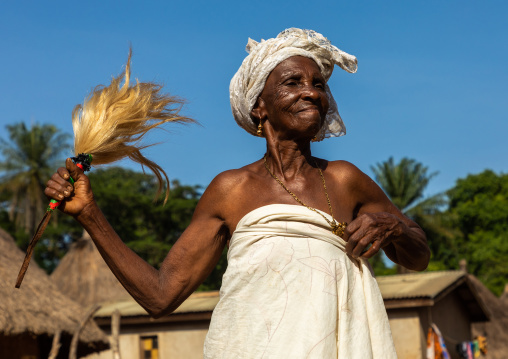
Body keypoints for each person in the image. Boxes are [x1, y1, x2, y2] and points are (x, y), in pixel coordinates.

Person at [45, 28, 430, 358]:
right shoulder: (230, 191)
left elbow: (419, 256)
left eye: (318, 84)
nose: (311, 93)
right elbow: (160, 297)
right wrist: (89, 214)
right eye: (293, 82)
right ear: (259, 106)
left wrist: (395, 229)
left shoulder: (345, 180)